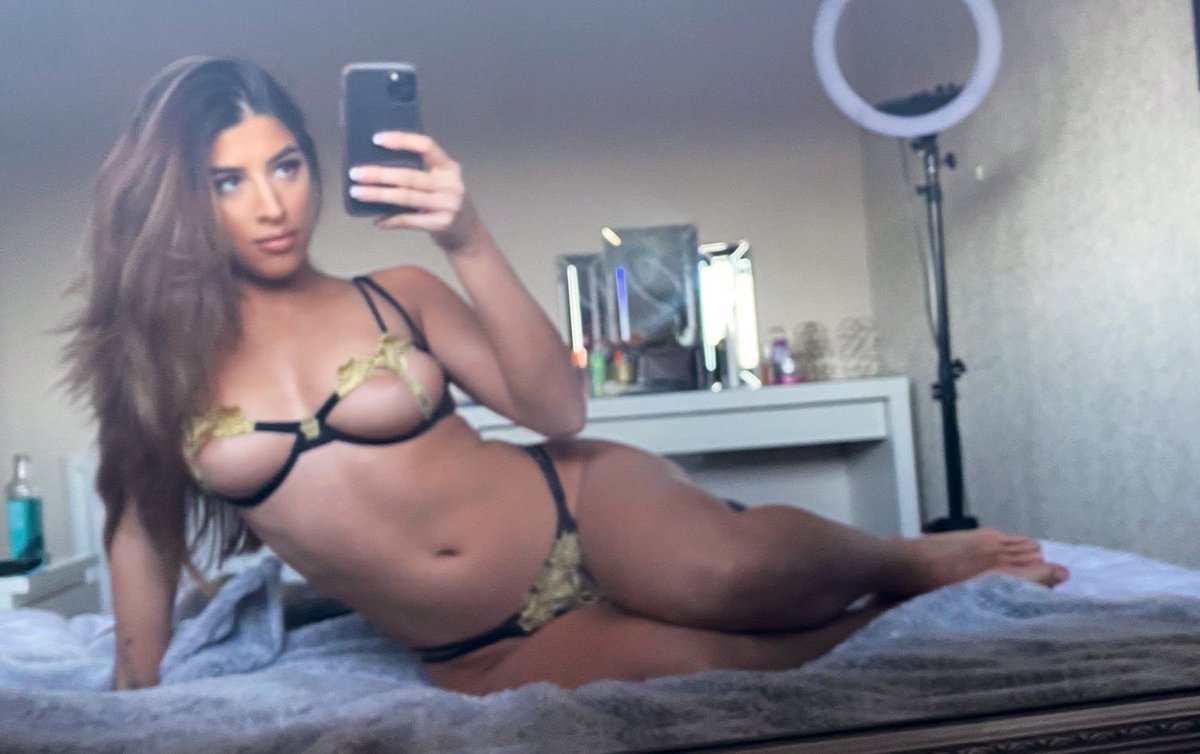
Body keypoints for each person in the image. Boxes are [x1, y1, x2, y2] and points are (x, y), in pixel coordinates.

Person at [63, 56, 1068, 695]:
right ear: (179, 197)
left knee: (732, 575)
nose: (272, 204)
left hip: (576, 505)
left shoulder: (396, 294)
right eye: (228, 180)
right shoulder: (156, 369)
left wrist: (465, 236)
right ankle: (894, 611)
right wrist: (132, 689)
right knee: (702, 670)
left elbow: (556, 408)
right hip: (480, 647)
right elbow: (140, 530)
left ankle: (902, 560)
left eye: (286, 165)